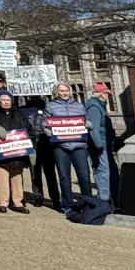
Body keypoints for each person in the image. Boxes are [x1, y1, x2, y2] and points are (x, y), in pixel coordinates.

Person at [46, 83, 92, 211]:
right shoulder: (51, 106)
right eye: (61, 91)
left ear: (70, 92)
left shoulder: (79, 106)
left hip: (79, 145)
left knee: (84, 176)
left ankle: (87, 203)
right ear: (57, 92)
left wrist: (88, 124)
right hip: (60, 146)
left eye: (66, 90)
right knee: (64, 177)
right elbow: (46, 124)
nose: (64, 93)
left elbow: (87, 120)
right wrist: (50, 133)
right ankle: (67, 205)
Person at [0, 91, 32, 214]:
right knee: (1, 178)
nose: (6, 102)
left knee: (17, 178)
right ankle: (2, 202)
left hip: (17, 152)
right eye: (3, 99)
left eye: (8, 99)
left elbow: (28, 130)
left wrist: (31, 148)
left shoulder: (19, 114)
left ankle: (18, 202)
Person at [86, 83, 113, 204]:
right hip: (99, 145)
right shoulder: (94, 107)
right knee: (102, 171)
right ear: (101, 94)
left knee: (102, 170)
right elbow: (94, 128)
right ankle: (104, 199)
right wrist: (98, 145)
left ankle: (104, 197)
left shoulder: (99, 105)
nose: (108, 95)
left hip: (103, 143)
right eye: (106, 93)